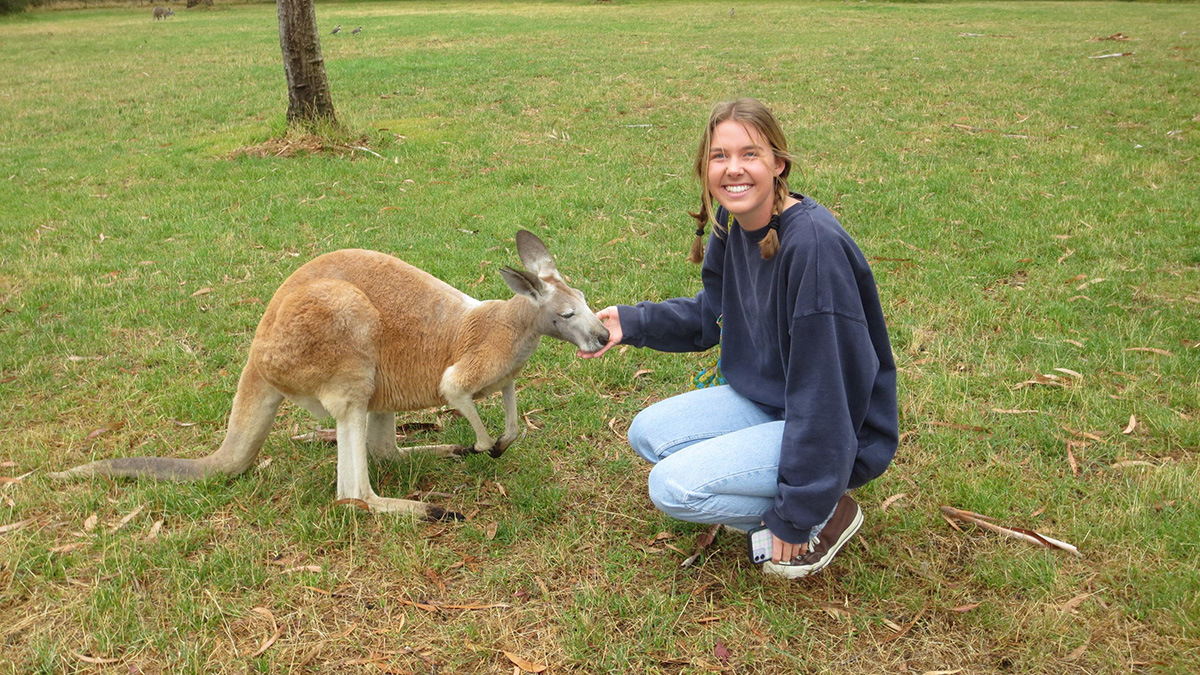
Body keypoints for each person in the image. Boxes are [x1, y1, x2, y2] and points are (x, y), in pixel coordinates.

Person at [579, 98, 898, 579]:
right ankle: (793, 489)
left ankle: (825, 513)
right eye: (718, 156)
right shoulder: (733, 221)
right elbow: (714, 313)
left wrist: (795, 515)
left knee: (673, 488)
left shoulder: (812, 251)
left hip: (839, 428)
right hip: (774, 400)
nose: (733, 170)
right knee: (648, 434)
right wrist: (633, 323)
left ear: (778, 163)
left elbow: (828, 397)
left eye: (750, 154)